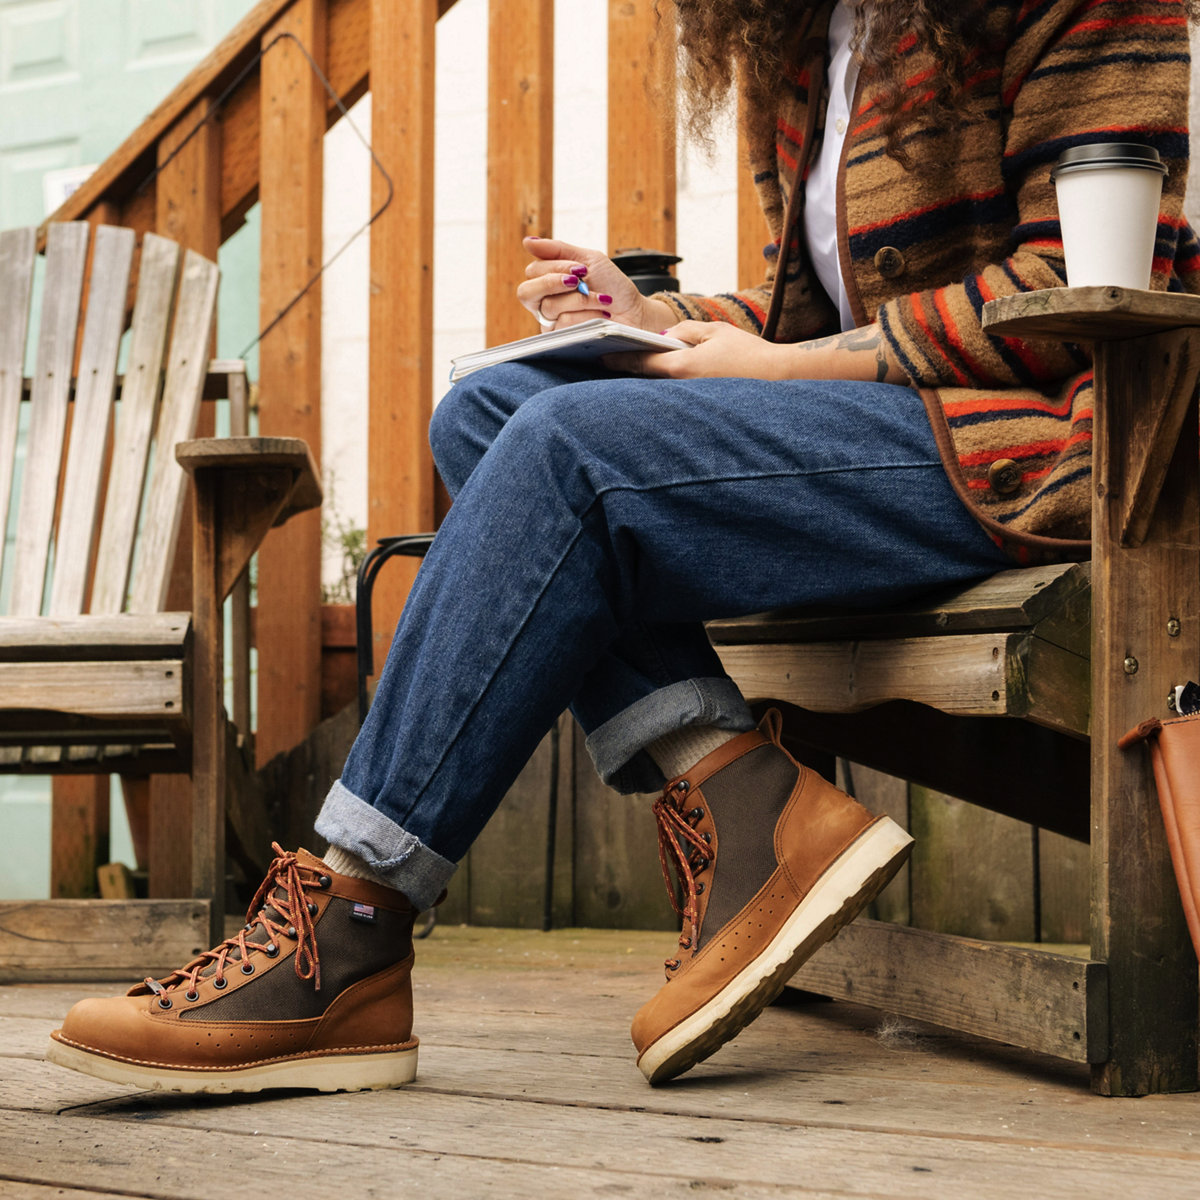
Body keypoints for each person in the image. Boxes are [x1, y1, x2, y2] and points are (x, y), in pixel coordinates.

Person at [46, 0, 1200, 1094]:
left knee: (564, 450)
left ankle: (348, 930)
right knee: (488, 415)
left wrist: (778, 369)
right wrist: (654, 325)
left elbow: (1082, 282)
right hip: (896, 429)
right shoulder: (816, 33)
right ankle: (741, 795)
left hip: (1043, 448)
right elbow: (814, 312)